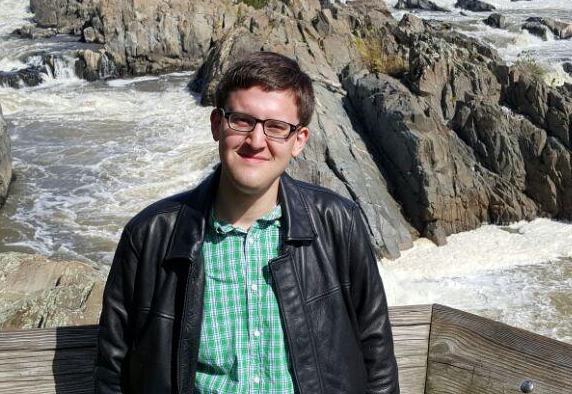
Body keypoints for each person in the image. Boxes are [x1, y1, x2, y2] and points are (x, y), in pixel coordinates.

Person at [94, 51, 399, 394]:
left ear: (298, 141)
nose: (256, 141)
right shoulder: (149, 237)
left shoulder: (338, 224)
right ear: (216, 125)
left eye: (276, 127)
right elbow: (112, 374)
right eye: (242, 120)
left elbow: (378, 360)